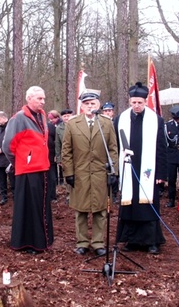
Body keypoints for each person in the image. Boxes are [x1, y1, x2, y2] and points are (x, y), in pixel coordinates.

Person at [62, 90, 118, 256]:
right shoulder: (73, 124)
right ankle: (82, 242)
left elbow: (113, 149)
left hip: (101, 173)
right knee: (81, 210)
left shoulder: (106, 123)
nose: (89, 106)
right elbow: (67, 151)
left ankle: (98, 242)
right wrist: (69, 173)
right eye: (86, 104)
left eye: (92, 103)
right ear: (81, 106)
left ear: (98, 105)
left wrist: (113, 171)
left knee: (101, 210)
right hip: (80, 173)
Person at [114, 82, 167, 254]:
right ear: (130, 101)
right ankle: (132, 239)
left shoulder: (156, 121)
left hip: (148, 171)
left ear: (145, 102)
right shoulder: (120, 120)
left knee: (147, 204)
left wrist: (161, 173)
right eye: (134, 102)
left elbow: (161, 148)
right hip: (128, 168)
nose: (136, 106)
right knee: (130, 204)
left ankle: (151, 241)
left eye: (140, 103)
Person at [2, 86, 53, 254]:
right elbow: (8, 145)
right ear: (29, 98)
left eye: (44, 99)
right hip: (27, 171)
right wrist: (21, 162)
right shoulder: (19, 118)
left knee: (41, 206)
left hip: (43, 168)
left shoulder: (42, 116)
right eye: (40, 99)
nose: (43, 102)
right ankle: (29, 243)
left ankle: (43, 240)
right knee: (28, 208)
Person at [0, 111, 13, 205]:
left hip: (9, 158)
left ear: (4, 118)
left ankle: (15, 196)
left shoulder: (11, 128)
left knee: (13, 179)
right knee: (1, 179)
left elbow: (12, 142)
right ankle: (3, 197)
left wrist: (3, 149)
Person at [55, 108, 73, 186]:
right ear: (62, 117)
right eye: (64, 116)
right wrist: (59, 158)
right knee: (68, 175)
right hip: (65, 155)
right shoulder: (59, 128)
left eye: (68, 116)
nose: (66, 118)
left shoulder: (76, 125)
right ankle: (69, 195)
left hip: (78, 154)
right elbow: (58, 144)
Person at [47, 110, 60, 202]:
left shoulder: (51, 127)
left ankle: (53, 196)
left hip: (51, 156)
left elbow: (57, 142)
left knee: (51, 177)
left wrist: (56, 154)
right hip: (40, 157)